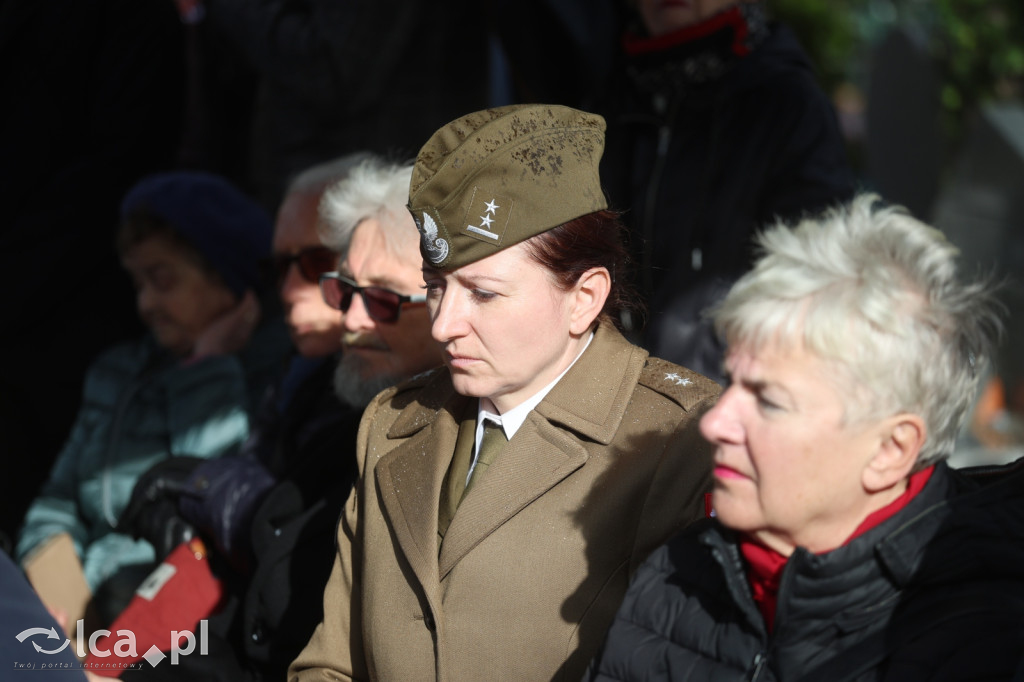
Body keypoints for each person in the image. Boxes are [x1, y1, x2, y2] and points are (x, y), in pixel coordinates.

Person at [289, 104, 720, 681]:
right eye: (436, 288)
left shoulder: (678, 441)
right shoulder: (392, 424)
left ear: (585, 298)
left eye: (484, 294)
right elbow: (331, 664)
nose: (444, 326)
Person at [585, 194, 1024, 681]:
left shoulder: (986, 644)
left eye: (770, 401)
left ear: (890, 450)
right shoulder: (679, 569)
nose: (714, 422)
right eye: (733, 382)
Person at [115, 155, 442, 682]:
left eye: (382, 298)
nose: (350, 317)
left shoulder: (462, 432)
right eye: (343, 289)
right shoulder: (329, 391)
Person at [15, 171, 289, 627]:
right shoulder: (119, 372)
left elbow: (209, 499)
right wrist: (55, 586)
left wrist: (207, 369)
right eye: (138, 284)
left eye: (163, 281)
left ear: (227, 277)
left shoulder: (272, 378)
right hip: (80, 611)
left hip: (174, 622)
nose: (146, 304)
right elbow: (58, 500)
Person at [599, 0, 855, 383]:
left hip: (727, 394)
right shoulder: (606, 93)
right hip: (611, 387)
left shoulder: (787, 103)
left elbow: (819, 279)